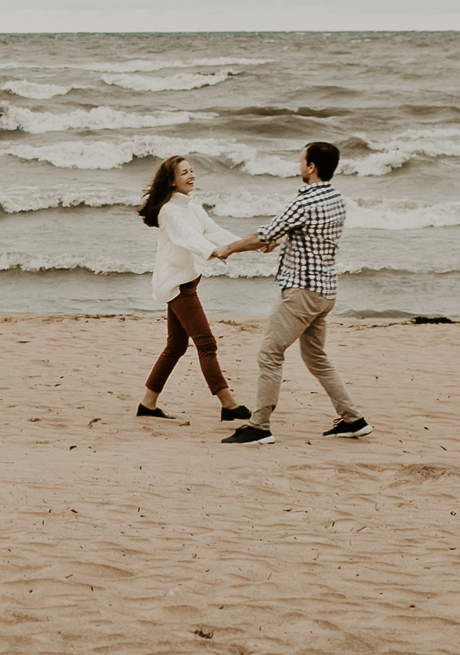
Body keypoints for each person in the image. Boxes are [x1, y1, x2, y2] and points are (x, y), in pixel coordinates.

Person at [210, 141, 373, 445]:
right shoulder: (337, 199)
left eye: (302, 161)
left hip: (301, 292)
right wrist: (278, 242)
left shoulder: (304, 201)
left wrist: (229, 249)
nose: (300, 166)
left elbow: (265, 234)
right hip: (325, 292)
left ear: (311, 167)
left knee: (270, 353)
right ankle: (353, 419)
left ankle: (259, 426)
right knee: (317, 358)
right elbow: (309, 236)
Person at [133, 155, 252, 423]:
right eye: (184, 173)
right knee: (206, 343)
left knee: (175, 346)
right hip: (177, 285)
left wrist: (250, 244)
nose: (191, 176)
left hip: (187, 282)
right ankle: (228, 404)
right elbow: (190, 239)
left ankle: (148, 404)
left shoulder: (193, 208)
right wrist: (213, 251)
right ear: (172, 181)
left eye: (192, 170)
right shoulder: (169, 211)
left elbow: (215, 232)